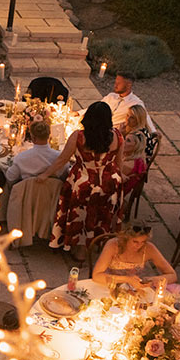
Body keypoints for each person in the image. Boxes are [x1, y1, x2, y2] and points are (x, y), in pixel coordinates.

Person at [37, 101, 124, 257]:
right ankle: (98, 241)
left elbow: (62, 160)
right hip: (109, 182)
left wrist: (45, 174)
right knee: (100, 214)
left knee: (80, 214)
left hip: (84, 181)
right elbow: (119, 163)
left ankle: (80, 249)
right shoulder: (117, 136)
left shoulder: (79, 137)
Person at [91, 223, 178, 289]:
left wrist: (152, 280)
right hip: (110, 286)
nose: (139, 246)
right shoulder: (113, 245)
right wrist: (127, 279)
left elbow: (172, 275)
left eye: (143, 242)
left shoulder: (148, 248)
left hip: (135, 290)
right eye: (135, 242)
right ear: (126, 238)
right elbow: (96, 276)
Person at [6, 120, 63, 185]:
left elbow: (10, 178)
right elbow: (63, 177)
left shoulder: (21, 158)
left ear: (33, 138)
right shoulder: (60, 158)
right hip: (52, 191)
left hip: (27, 190)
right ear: (49, 137)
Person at [120, 105, 156, 194]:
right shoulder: (142, 130)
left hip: (134, 168)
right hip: (138, 163)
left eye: (132, 118)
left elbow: (123, 149)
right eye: (127, 115)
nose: (127, 119)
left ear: (138, 120)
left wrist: (120, 134)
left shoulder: (137, 136)